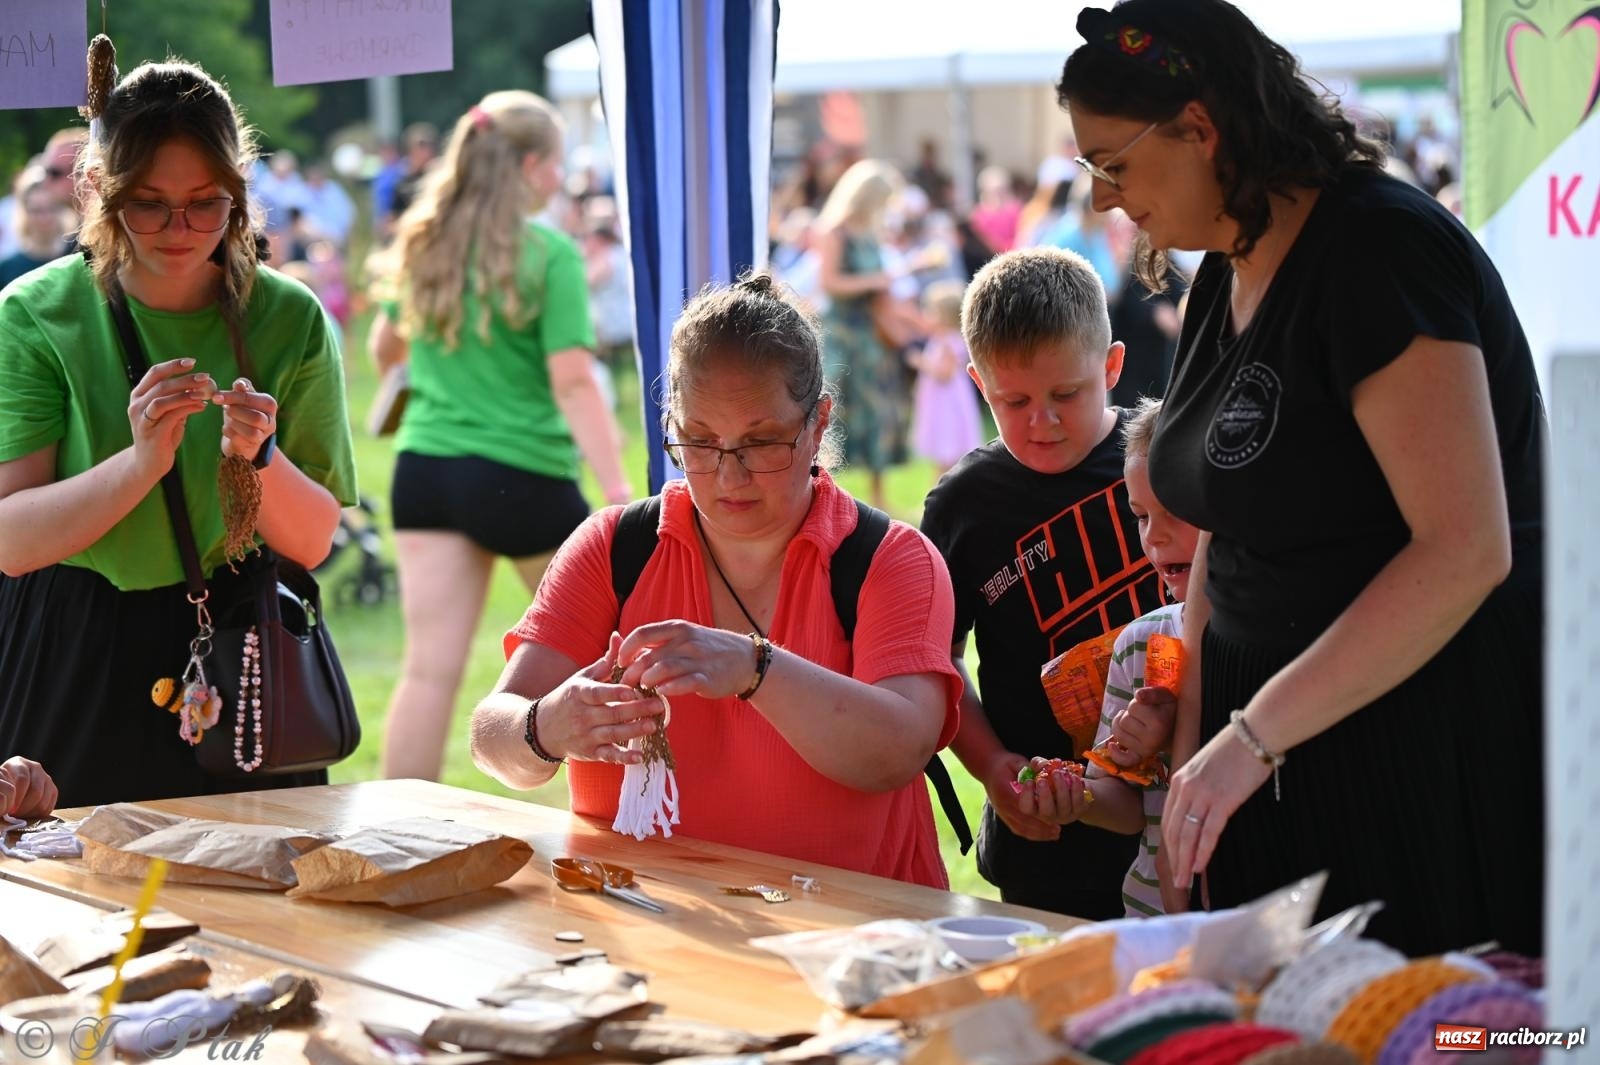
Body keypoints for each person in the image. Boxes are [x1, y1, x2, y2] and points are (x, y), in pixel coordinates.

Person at [1058, 0, 1545, 955]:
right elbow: (1221, 539)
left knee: (1440, 1034)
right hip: (1265, 757)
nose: (1103, 199)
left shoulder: (1379, 252)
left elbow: (1464, 549)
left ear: (1201, 129)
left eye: (1112, 165)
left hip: (1413, 756)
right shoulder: (1222, 274)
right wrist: (1199, 755)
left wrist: (1247, 740)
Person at [470, 275, 961, 888]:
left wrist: (755, 668)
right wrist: (545, 726)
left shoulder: (888, 559)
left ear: (818, 422)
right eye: (699, 441)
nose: (729, 475)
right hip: (648, 921)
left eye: (761, 443)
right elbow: (490, 735)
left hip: (846, 936)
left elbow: (899, 750)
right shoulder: (613, 547)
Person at [0, 61, 358, 807]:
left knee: (260, 897)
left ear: (238, 194)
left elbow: (314, 538)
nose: (179, 230)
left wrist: (256, 459)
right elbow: (12, 539)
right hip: (76, 638)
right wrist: (140, 464)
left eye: (205, 204)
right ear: (99, 192)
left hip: (241, 637)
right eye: (149, 205)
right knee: (79, 904)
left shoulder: (289, 317)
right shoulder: (37, 312)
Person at [372, 91, 632, 783]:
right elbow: (574, 379)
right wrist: (615, 489)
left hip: (426, 468)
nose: (558, 179)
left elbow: (383, 347)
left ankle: (395, 837)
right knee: (608, 657)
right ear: (528, 165)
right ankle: (633, 828)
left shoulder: (423, 241)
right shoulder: (548, 252)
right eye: (553, 164)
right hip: (522, 473)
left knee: (428, 672)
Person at [920, 247, 1166, 919]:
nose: (1042, 420)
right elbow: (932, 659)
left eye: (1067, 394)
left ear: (1112, 365)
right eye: (1014, 400)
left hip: (1182, 816)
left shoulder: (1164, 457)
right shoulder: (964, 507)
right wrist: (993, 768)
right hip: (1050, 841)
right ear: (978, 383)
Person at [1017, 398, 1199, 917]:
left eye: (1177, 511)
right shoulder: (1140, 644)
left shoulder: (1275, 642)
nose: (1155, 536)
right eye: (1140, 515)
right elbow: (1122, 805)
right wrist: (1080, 797)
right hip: (1152, 917)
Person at [817, 159, 908, 511]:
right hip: (842, 334)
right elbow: (829, 282)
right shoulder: (833, 231)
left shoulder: (871, 232)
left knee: (877, 410)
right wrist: (874, 281)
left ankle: (878, 496)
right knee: (837, 409)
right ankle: (826, 492)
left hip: (871, 332)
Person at [907, 280, 982, 474]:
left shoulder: (949, 341)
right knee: (942, 453)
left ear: (944, 316)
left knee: (947, 449)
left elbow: (945, 373)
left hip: (947, 404)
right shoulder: (939, 339)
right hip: (939, 401)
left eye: (930, 310)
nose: (925, 315)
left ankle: (939, 491)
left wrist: (920, 362)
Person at [0, 169, 70, 289]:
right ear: (24, 213)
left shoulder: (75, 258)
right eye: (37, 211)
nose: (45, 218)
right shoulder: (6, 269)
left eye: (51, 209)